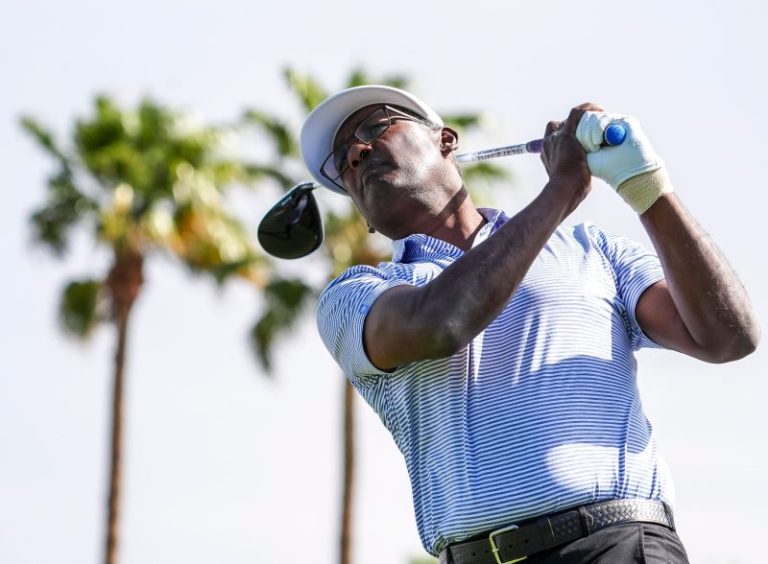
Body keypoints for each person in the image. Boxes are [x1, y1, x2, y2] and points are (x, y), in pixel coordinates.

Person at [299, 85, 760, 564]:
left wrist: (645, 185)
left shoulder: (592, 249)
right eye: (341, 163)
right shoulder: (353, 295)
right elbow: (439, 325)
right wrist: (562, 188)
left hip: (619, 546)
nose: (357, 152)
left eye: (375, 126)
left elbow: (727, 336)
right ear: (364, 218)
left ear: (445, 141)